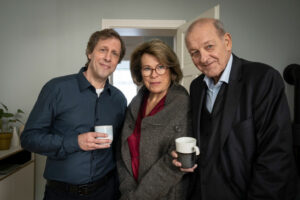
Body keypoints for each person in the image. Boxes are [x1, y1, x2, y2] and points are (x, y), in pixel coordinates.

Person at [172, 18, 298, 200]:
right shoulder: (196, 87)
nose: (204, 58)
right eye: (195, 53)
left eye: (209, 47)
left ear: (227, 42)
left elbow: (276, 157)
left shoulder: (263, 79)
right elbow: (207, 143)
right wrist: (184, 159)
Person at [20, 29, 127, 200]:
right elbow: (28, 138)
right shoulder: (56, 89)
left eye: (114, 53)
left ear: (117, 61)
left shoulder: (119, 99)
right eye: (103, 50)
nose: (108, 57)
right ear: (89, 53)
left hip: (106, 192)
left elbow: (121, 147)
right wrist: (75, 142)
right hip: (62, 194)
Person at [117, 39, 191, 200]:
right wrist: (127, 191)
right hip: (129, 192)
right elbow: (123, 153)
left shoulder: (183, 104)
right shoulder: (136, 103)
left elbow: (174, 164)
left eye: (161, 67)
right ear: (140, 72)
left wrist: (137, 197)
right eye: (147, 68)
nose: (154, 74)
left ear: (171, 70)